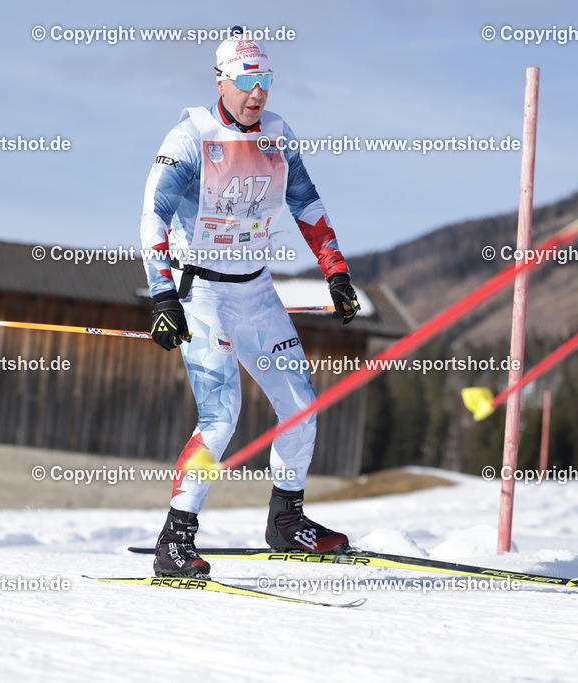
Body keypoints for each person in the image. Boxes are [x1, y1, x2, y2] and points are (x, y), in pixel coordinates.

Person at [140, 28, 361, 577]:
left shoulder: (279, 136)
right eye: (246, 82)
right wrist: (163, 294)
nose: (257, 93)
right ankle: (176, 538)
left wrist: (336, 273)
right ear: (222, 81)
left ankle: (286, 519)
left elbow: (308, 205)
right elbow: (152, 217)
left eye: (265, 81)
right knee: (222, 416)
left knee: (301, 406)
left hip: (257, 291)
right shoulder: (190, 137)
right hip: (205, 292)